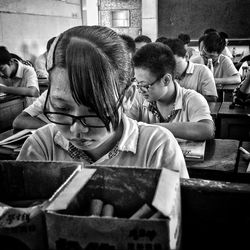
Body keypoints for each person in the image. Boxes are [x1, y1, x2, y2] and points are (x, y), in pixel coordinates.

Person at [17, 25, 188, 178]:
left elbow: (175, 210)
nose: (77, 129)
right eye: (62, 107)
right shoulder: (42, 146)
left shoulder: (157, 148)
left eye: (95, 111)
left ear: (128, 97)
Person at [127, 42, 215, 141]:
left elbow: (207, 130)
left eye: (144, 85)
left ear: (166, 80)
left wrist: (153, 128)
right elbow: (125, 127)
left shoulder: (192, 99)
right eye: (137, 83)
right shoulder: (139, 98)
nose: (139, 90)